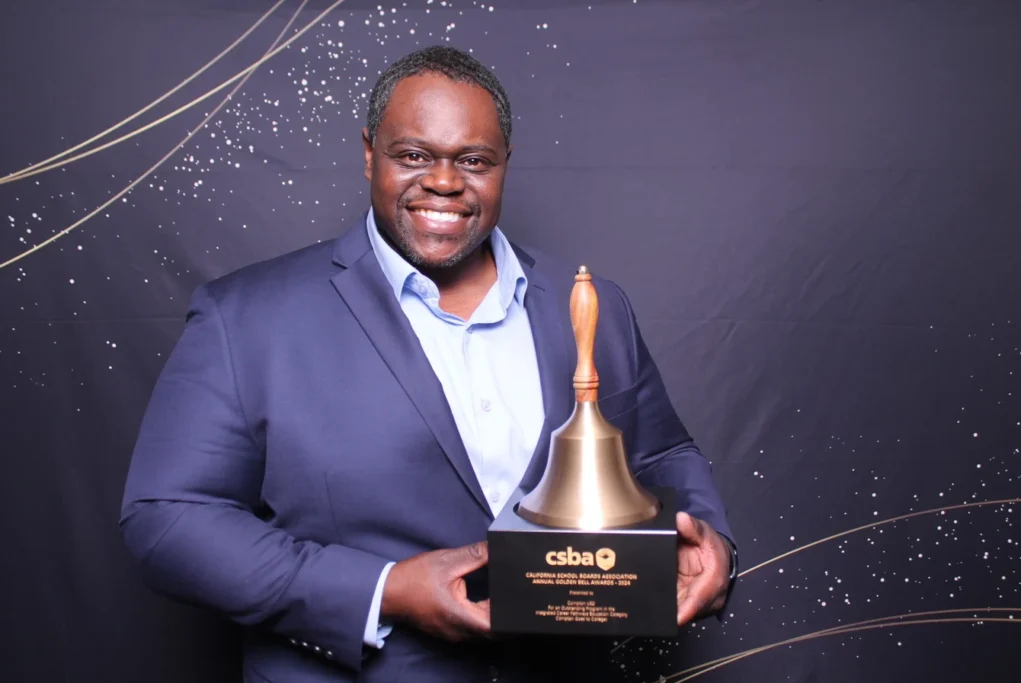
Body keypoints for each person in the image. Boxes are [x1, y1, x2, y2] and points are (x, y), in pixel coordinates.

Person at [119, 45, 737, 683]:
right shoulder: (246, 317)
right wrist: (383, 590)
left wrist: (710, 538)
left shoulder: (590, 303)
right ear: (369, 153)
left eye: (473, 160)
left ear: (504, 163)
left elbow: (660, 456)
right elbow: (168, 519)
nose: (444, 182)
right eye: (414, 155)